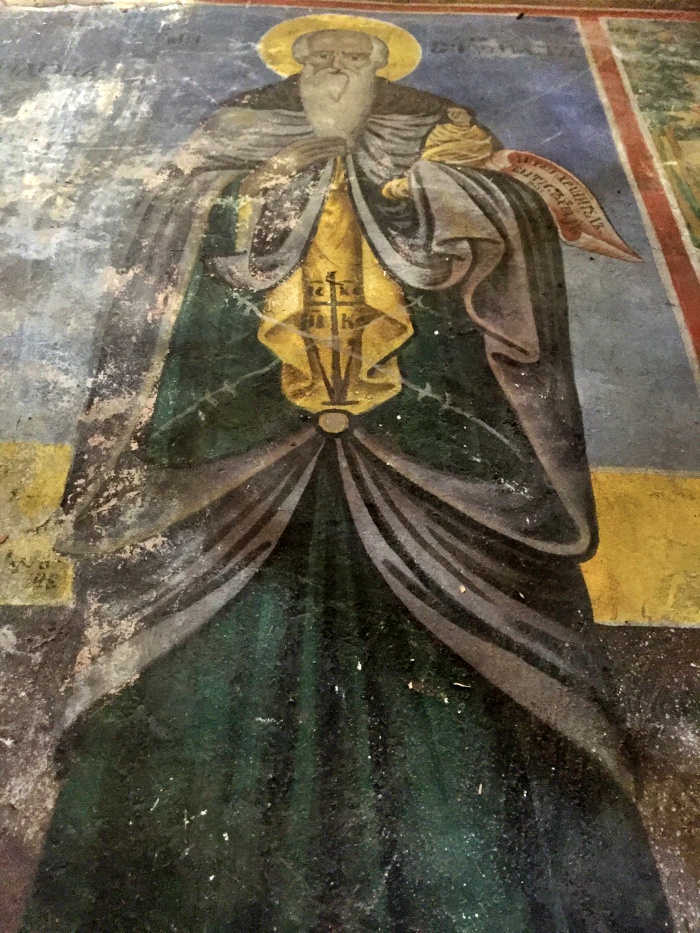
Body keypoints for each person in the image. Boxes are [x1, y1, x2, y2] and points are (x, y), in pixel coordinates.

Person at [23, 15, 672, 932]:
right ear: (291, 67)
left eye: (352, 55)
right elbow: (165, 216)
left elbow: (517, 215)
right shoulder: (242, 124)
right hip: (241, 446)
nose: (333, 67)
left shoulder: (439, 126)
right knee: (202, 681)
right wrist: (263, 197)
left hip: (430, 453)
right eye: (316, 55)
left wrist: (433, 191)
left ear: (381, 65)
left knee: (466, 692)